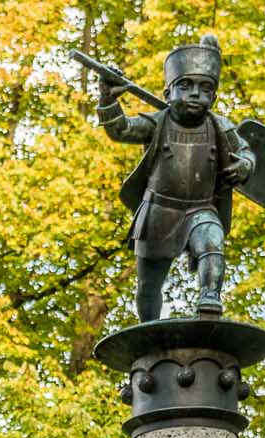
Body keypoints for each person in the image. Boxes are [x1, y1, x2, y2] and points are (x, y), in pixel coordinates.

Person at [96, 37, 255, 322]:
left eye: (205, 88)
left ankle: (209, 300)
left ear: (214, 97)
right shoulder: (156, 123)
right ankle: (148, 327)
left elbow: (245, 152)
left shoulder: (221, 126)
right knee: (148, 285)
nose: (195, 94)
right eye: (185, 86)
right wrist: (108, 98)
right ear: (168, 93)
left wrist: (245, 165)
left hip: (200, 209)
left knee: (212, 244)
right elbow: (120, 130)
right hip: (158, 212)